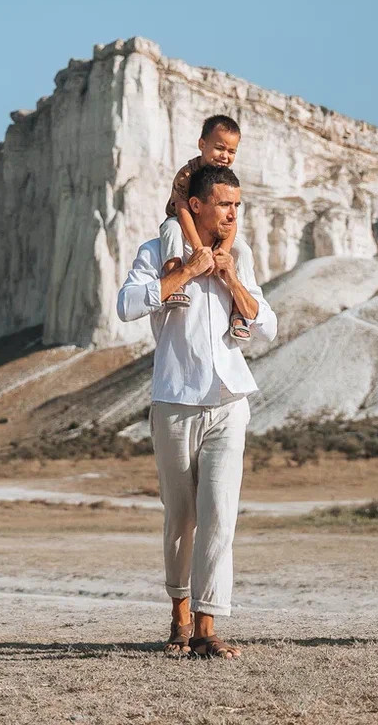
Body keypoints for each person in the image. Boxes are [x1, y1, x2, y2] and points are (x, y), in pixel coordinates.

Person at [117, 164, 277, 659]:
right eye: (224, 204)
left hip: (230, 403)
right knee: (181, 516)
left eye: (237, 205)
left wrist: (231, 279)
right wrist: (187, 271)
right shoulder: (158, 252)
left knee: (219, 514)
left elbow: (267, 326)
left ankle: (208, 624)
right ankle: (179, 610)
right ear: (196, 206)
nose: (232, 214)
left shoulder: (241, 256)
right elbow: (125, 305)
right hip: (174, 402)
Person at [161, 114, 253, 341]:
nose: (225, 156)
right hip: (183, 223)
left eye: (232, 152)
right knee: (170, 229)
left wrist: (222, 251)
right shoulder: (187, 174)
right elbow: (182, 210)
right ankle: (175, 281)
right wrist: (198, 249)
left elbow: (232, 219)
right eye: (220, 148)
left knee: (242, 251)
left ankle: (238, 313)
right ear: (202, 144)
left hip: (215, 230)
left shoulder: (226, 178)